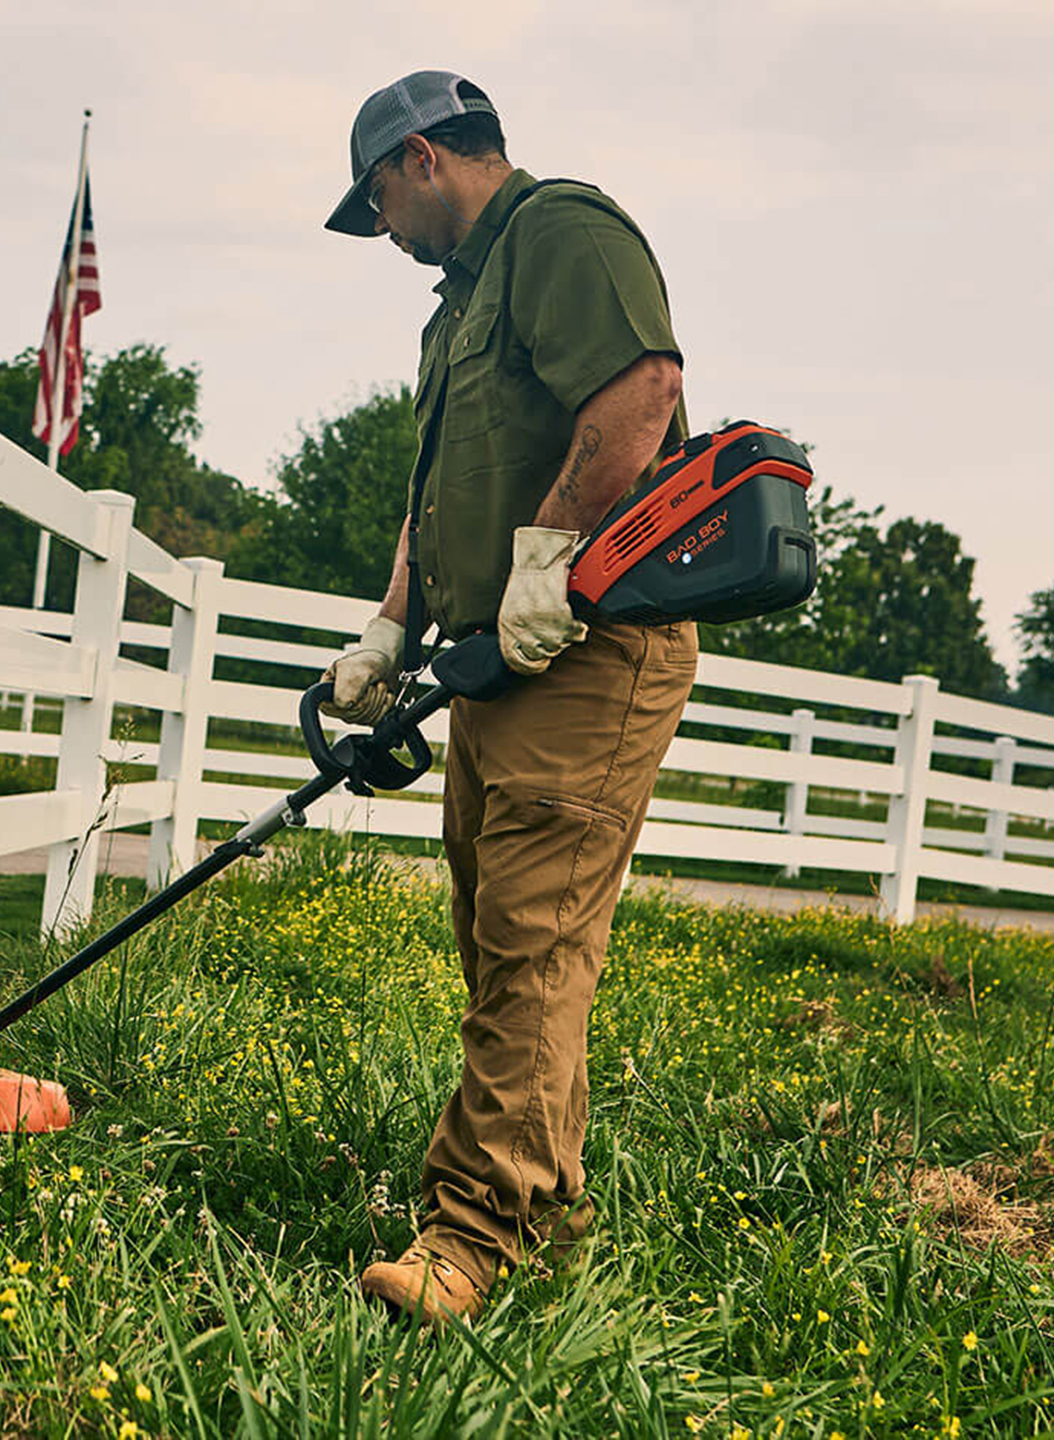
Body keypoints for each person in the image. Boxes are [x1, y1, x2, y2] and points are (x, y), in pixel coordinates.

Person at [320, 71, 699, 1325]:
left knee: (533, 941)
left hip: (588, 654)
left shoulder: (562, 234)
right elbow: (444, 494)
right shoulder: (455, 311)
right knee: (502, 936)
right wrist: (393, 625)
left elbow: (640, 395)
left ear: (423, 158)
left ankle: (473, 1240)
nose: (378, 229)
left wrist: (550, 554)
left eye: (376, 199)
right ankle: (550, 1208)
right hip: (493, 660)